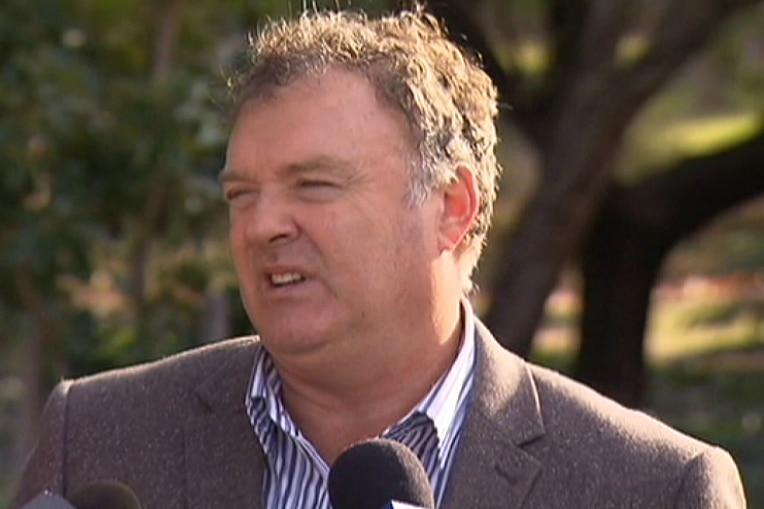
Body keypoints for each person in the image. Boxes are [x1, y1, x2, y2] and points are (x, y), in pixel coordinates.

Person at [11, 8, 747, 509]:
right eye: (242, 194)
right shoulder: (100, 437)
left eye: (315, 185)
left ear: (452, 208)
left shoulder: (653, 487)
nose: (263, 224)